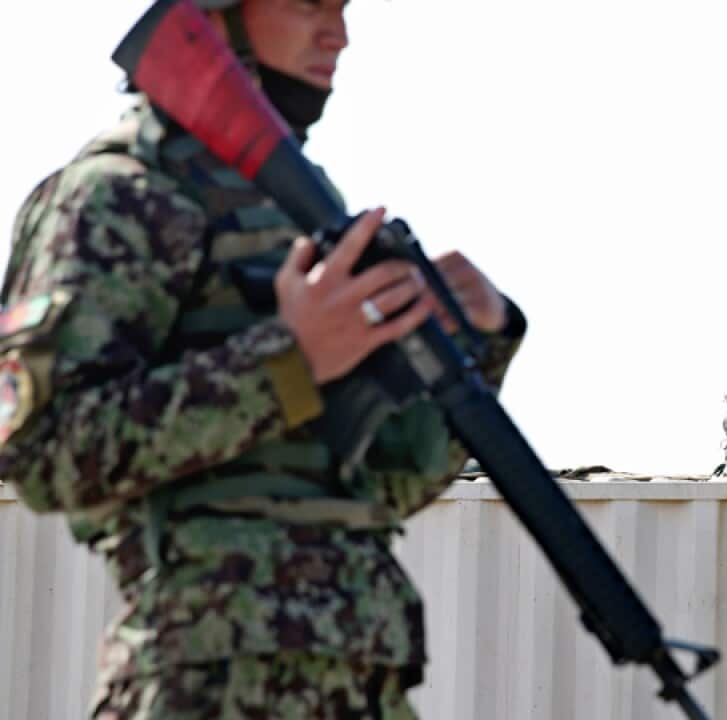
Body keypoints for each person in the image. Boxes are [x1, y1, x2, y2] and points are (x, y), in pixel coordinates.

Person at [0, 1, 525, 717]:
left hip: (362, 682)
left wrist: (477, 347)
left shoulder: (294, 213)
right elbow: (44, 450)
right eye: (309, 3)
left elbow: (381, 482)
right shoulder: (118, 195)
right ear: (215, 16)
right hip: (202, 686)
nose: (339, 33)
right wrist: (290, 360)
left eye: (344, 7)